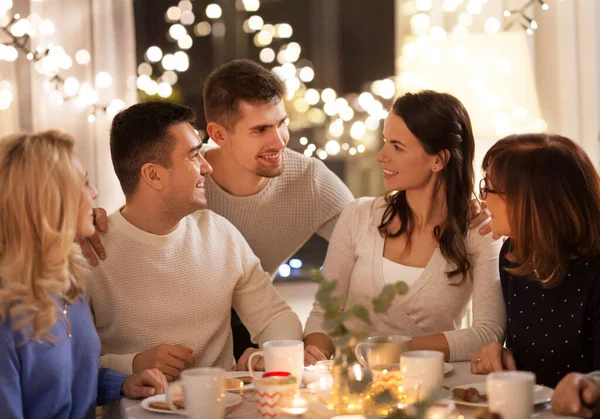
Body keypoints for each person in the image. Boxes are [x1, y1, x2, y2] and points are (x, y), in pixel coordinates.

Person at [81, 60, 493, 362]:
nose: (279, 140)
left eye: (281, 123)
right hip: (208, 329)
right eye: (260, 130)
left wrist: (468, 212)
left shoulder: (307, 182)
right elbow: (145, 215)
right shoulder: (185, 187)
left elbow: (365, 240)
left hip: (245, 322)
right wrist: (91, 221)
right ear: (218, 136)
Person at [88, 101, 302, 389]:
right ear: (153, 175)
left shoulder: (218, 232)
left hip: (226, 407)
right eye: (194, 156)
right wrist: (133, 364)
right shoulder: (92, 251)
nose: (207, 167)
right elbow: (71, 367)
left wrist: (271, 352)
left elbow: (275, 316)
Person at [303, 90, 506, 363]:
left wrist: (396, 351)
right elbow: (324, 312)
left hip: (434, 391)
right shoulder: (359, 216)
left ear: (438, 160)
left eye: (397, 147)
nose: (381, 156)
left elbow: (488, 334)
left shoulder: (480, 232)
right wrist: (315, 355)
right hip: (351, 386)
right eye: (386, 141)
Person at [0, 131, 166, 419]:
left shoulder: (66, 283)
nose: (95, 193)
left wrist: (123, 383)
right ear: (52, 201)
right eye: (84, 183)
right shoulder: (6, 315)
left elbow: (63, 381)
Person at [470, 134, 600, 388]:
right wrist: (506, 356)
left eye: (490, 188)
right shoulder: (515, 253)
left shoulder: (595, 272)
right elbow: (538, 359)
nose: (482, 197)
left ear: (529, 201)